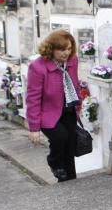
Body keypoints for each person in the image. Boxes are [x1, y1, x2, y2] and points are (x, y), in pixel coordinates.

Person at [25, 29, 82, 182]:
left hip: (69, 109)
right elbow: (33, 99)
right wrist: (34, 128)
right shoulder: (37, 67)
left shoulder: (72, 60)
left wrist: (78, 105)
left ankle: (69, 181)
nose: (66, 53)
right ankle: (54, 161)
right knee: (60, 137)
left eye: (69, 49)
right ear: (51, 48)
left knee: (70, 148)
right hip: (48, 114)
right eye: (62, 49)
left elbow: (74, 83)